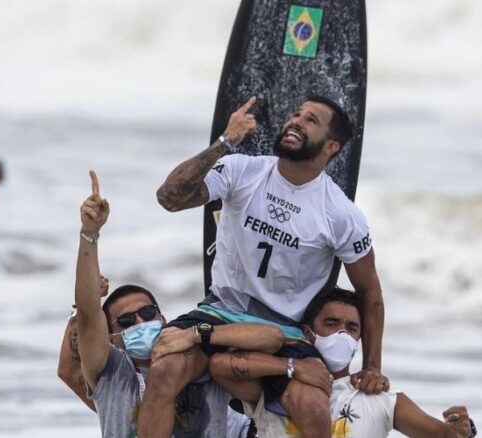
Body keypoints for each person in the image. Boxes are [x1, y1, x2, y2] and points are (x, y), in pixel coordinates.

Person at [140, 95, 387, 437]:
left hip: (285, 331)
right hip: (220, 311)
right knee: (163, 370)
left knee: (313, 407)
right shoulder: (243, 169)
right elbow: (169, 197)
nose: (296, 121)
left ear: (331, 146)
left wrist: (372, 366)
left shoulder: (342, 215)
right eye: (296, 113)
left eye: (311, 120)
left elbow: (370, 292)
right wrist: (225, 143)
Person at [61, 170, 282, 437]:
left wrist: (198, 334)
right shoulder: (111, 375)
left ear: (163, 318)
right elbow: (88, 314)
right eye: (127, 321)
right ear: (112, 339)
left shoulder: (199, 357)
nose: (141, 322)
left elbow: (270, 337)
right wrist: (89, 235)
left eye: (147, 313)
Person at [210, 287, 478, 438]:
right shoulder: (277, 385)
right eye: (331, 324)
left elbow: (445, 437)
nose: (342, 334)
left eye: (351, 328)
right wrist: (290, 367)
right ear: (307, 332)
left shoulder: (378, 397)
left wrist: (464, 428)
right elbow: (221, 365)